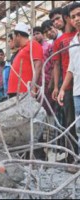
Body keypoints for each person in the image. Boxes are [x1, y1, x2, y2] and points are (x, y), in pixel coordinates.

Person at [52, 5, 78, 162]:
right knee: (69, 121)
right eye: (53, 20)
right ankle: (71, 155)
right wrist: (57, 87)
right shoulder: (59, 41)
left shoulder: (77, 34)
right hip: (68, 85)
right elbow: (57, 65)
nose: (56, 22)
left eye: (58, 18)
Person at [58, 2, 80, 154]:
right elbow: (70, 69)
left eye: (79, 14)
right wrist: (62, 89)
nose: (77, 19)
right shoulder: (73, 43)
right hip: (77, 92)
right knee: (79, 128)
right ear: (70, 21)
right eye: (73, 17)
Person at [8, 22, 43, 98]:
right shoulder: (22, 49)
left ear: (18, 35)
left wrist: (33, 88)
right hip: (16, 91)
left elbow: (38, 65)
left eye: (13, 36)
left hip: (24, 91)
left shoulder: (33, 44)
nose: (13, 40)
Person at [33, 26, 55, 115]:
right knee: (40, 106)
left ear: (43, 34)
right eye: (34, 35)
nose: (35, 36)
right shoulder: (34, 49)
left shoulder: (49, 46)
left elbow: (54, 64)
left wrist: (51, 82)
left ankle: (51, 127)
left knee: (50, 107)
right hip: (38, 83)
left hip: (48, 80)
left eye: (38, 33)